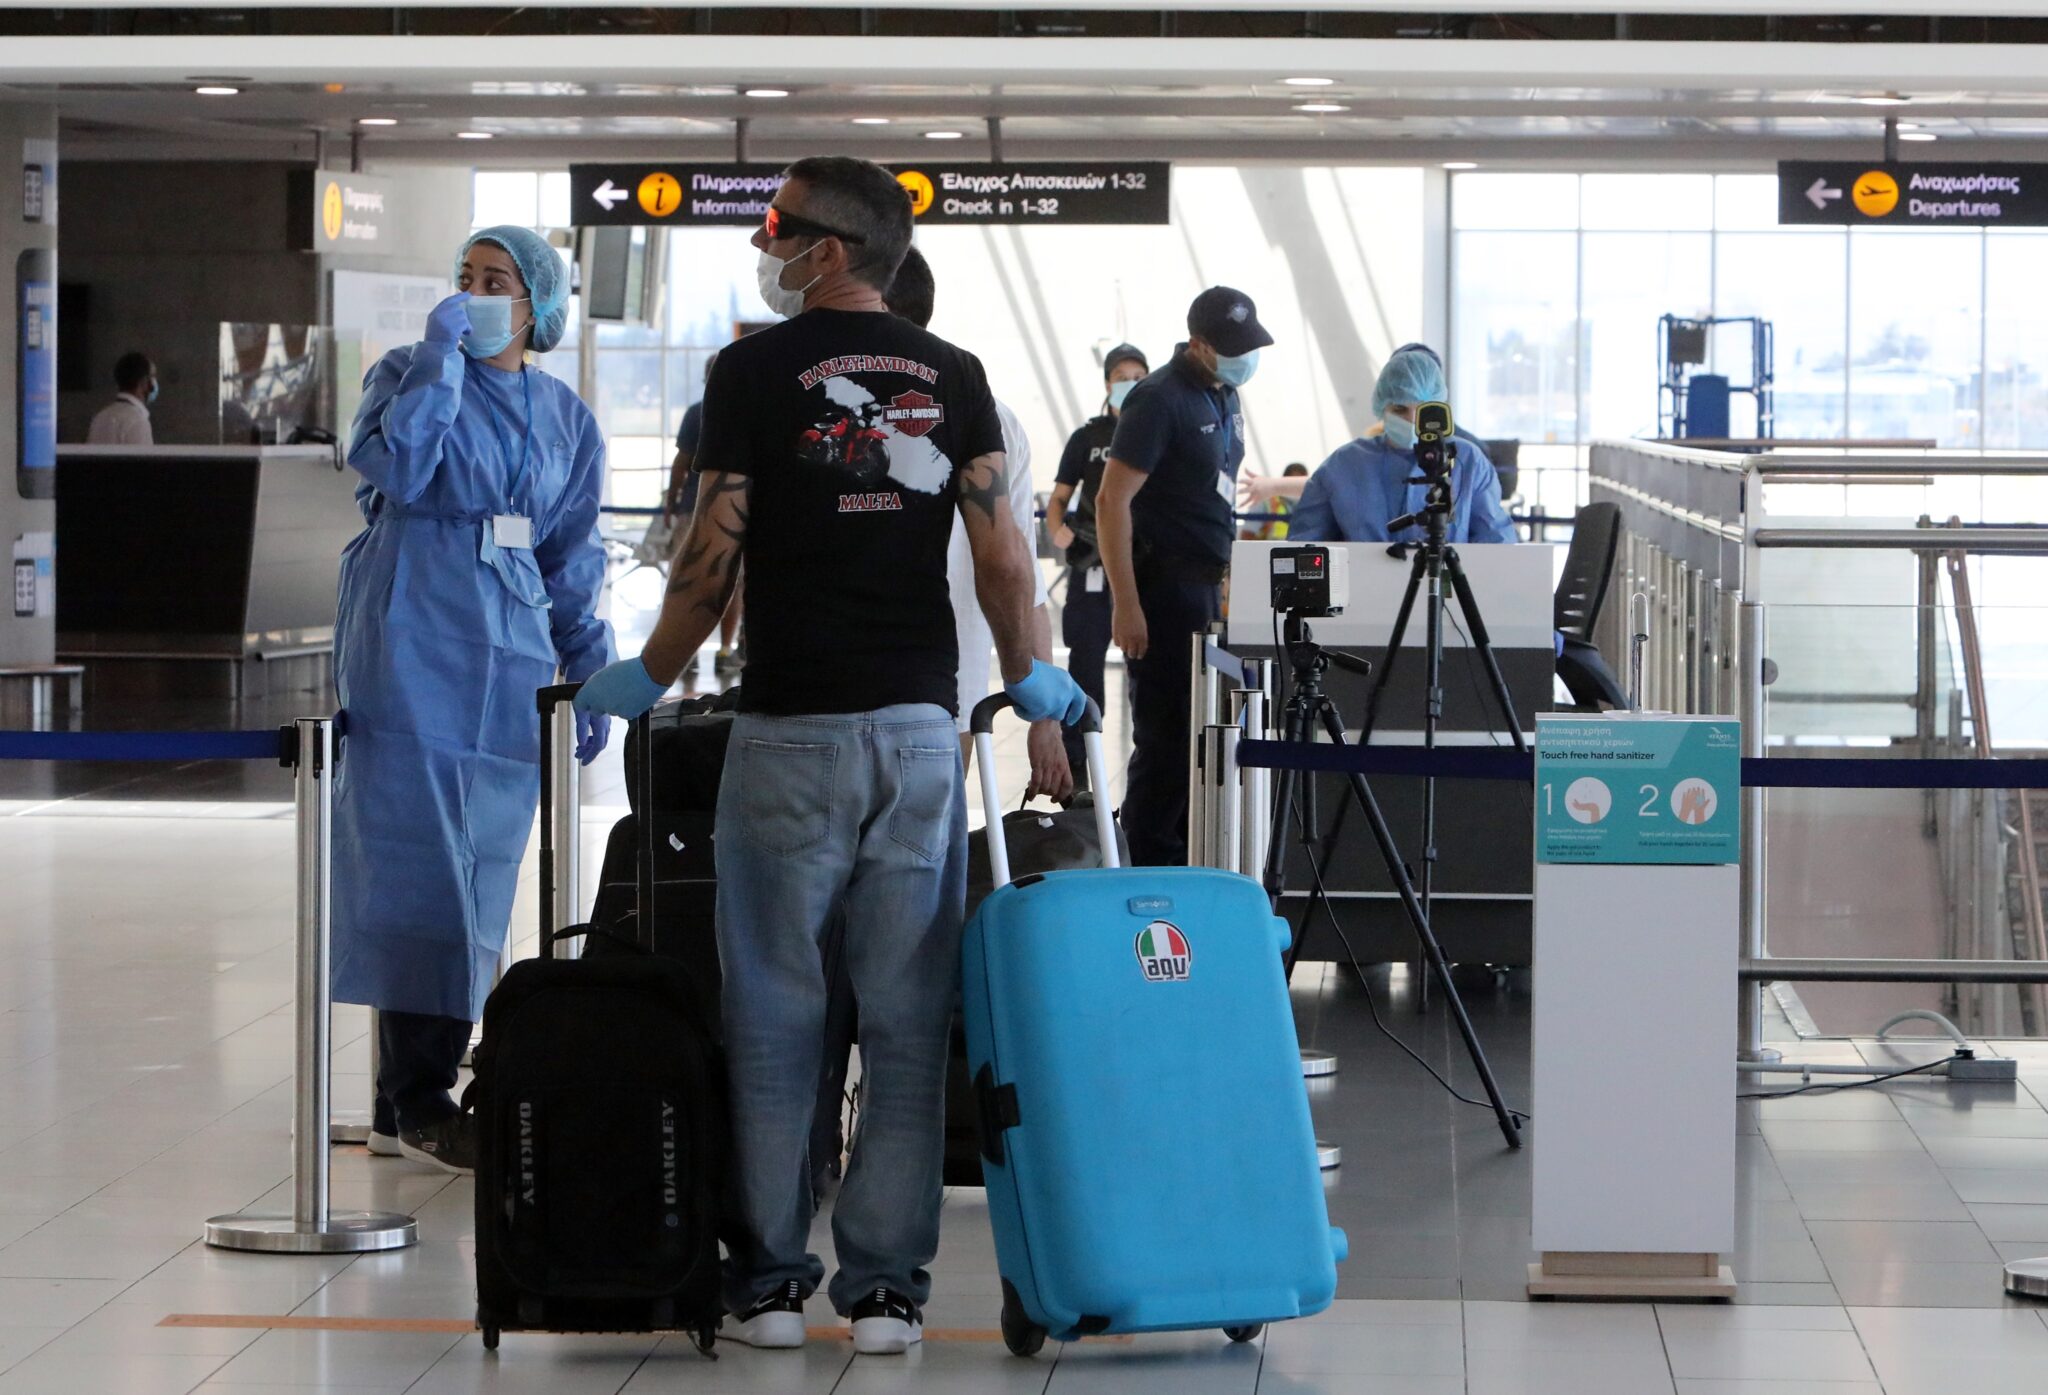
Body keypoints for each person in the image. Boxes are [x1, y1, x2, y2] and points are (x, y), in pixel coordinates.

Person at [573, 156, 1085, 1356]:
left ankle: (766, 1285)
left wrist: (650, 669)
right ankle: (887, 1293)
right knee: (904, 1022)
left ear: (831, 250)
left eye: (777, 224)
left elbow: (712, 551)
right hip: (916, 735)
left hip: (789, 731)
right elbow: (1002, 555)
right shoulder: (953, 374)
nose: (764, 242)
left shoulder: (751, 371)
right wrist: (1030, 677)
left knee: (772, 1015)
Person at [331, 225, 612, 1174]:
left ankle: (405, 1095)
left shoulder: (566, 417)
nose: (476, 293)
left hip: (512, 645)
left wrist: (589, 664)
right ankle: (418, 1094)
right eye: (465, 277)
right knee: (420, 860)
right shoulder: (409, 374)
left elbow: (572, 551)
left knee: (483, 862)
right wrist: (440, 360)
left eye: (497, 281)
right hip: (412, 629)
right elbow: (402, 468)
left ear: (538, 304)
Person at [882, 246, 1071, 800]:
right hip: (945, 700)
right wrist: (1041, 711)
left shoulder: (821, 406)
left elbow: (1018, 573)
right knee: (924, 851)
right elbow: (1020, 576)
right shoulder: (988, 412)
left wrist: (1043, 713)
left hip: (849, 703)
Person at [1096, 286, 1271, 866]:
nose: (1245, 358)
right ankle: (1147, 863)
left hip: (1206, 586)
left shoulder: (1225, 394)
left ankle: (1187, 858)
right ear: (1199, 344)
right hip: (1163, 589)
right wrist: (1126, 604)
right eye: (1233, 348)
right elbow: (1111, 502)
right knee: (1167, 736)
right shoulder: (1158, 399)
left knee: (1203, 734)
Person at [1045, 342, 1148, 791]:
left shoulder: (1156, 429)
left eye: (1138, 377)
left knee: (1145, 664)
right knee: (1085, 664)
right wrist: (1057, 530)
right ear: (1107, 383)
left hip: (1142, 563)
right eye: (1122, 377)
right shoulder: (1087, 438)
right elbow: (1059, 498)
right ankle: (1077, 764)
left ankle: (1150, 758)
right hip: (1090, 560)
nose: (1130, 384)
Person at [1290, 346, 1516, 546]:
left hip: (1447, 581)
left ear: (1438, 409)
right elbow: (1304, 545)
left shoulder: (1468, 462)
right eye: (1399, 409)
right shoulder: (1344, 465)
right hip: (1366, 580)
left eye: (1423, 410)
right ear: (1382, 408)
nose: (1412, 420)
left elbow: (1495, 544)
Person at [660, 353, 744, 675]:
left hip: (694, 510)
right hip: (736, 514)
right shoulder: (746, 411)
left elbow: (681, 463)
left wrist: (672, 501)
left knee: (688, 580)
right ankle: (725, 651)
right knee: (733, 583)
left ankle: (687, 655)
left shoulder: (697, 413)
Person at [86, 352, 156, 445]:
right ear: (144, 382)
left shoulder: (100, 417)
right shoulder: (138, 421)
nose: (155, 383)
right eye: (153, 377)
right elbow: (143, 454)